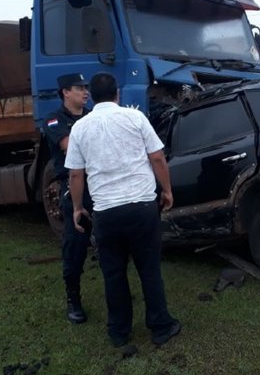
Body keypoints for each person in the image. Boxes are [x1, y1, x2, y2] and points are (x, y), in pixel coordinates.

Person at [65, 72, 180, 348]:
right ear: (117, 93)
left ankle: (119, 332)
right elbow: (157, 157)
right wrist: (166, 190)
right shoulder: (135, 118)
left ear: (91, 96)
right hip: (141, 207)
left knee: (113, 274)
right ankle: (161, 326)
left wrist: (78, 208)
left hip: (106, 213)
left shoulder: (80, 128)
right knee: (149, 269)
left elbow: (76, 176)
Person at [43, 73, 93, 325]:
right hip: (74, 188)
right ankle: (73, 297)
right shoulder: (54, 119)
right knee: (75, 247)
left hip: (100, 185)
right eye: (79, 88)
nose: (85, 92)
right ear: (65, 92)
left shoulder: (92, 115)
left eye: (86, 88)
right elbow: (68, 145)